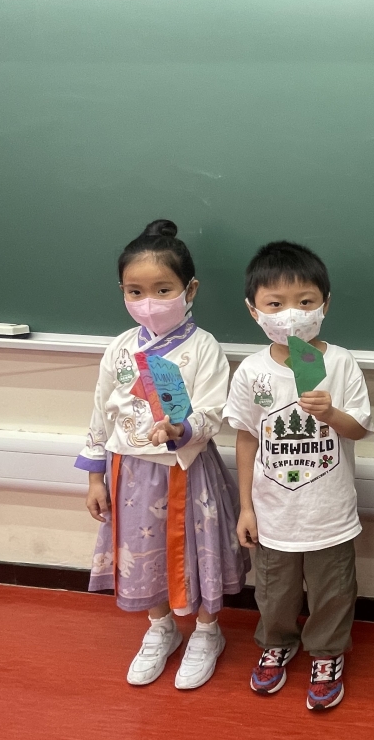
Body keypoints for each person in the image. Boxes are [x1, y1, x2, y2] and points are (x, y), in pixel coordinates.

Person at [77, 219, 248, 690]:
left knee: (198, 549)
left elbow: (213, 412)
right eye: (135, 292)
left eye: (162, 290)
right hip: (128, 472)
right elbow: (100, 413)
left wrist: (182, 428)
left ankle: (207, 632)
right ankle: (160, 628)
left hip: (186, 470)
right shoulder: (118, 348)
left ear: (190, 289)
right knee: (141, 551)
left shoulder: (204, 347)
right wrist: (95, 477)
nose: (148, 302)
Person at [226, 241, 371, 711]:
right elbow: (247, 438)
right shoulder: (252, 371)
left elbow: (360, 429)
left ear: (325, 304)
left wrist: (331, 414)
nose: (291, 314)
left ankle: (327, 652)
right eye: (275, 304)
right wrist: (246, 507)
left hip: (329, 512)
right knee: (273, 589)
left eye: (305, 302)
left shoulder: (340, 362)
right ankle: (277, 641)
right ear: (254, 311)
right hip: (273, 514)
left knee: (333, 590)